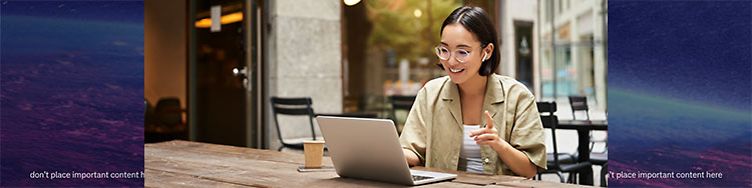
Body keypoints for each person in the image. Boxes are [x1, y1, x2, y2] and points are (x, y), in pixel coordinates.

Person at [399, 6, 546, 178]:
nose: (451, 61)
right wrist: (389, 154)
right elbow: (413, 152)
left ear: (487, 51)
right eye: (444, 50)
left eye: (462, 52)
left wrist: (499, 144)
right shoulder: (430, 93)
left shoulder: (517, 96)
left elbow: (529, 169)